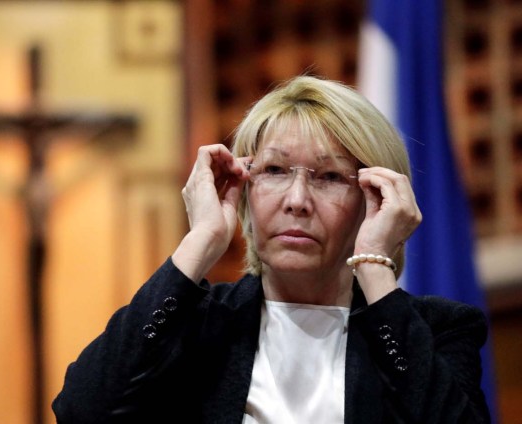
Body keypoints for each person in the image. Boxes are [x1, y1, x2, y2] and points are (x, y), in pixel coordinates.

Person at [52, 76, 490, 423]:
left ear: (374, 198)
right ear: (243, 185)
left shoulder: (439, 330)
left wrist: (376, 262)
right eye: (275, 170)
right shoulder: (198, 326)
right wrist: (200, 241)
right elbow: (83, 411)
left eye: (330, 177)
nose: (297, 199)